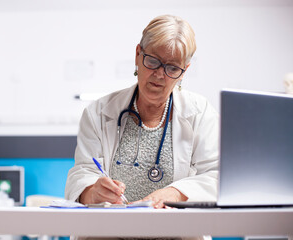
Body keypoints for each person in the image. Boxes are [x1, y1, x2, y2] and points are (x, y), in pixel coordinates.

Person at [65, 14, 218, 212]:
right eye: (153, 61)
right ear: (138, 54)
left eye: (172, 68)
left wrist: (174, 193)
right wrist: (93, 192)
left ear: (184, 71)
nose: (160, 74)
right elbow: (82, 173)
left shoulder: (201, 113)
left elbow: (216, 177)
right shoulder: (98, 113)